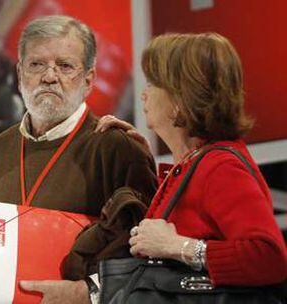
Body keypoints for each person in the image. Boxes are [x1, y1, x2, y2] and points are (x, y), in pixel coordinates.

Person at [0, 15, 158, 303]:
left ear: (89, 80)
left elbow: (150, 260)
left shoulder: (116, 146)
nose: (49, 76)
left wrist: (87, 293)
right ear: (20, 73)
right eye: (37, 64)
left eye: (65, 66)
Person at [96, 32, 287, 292]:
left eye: (153, 83)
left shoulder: (220, 167)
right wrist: (141, 157)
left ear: (179, 99)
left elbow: (269, 258)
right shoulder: (195, 164)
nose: (144, 94)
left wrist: (178, 247)